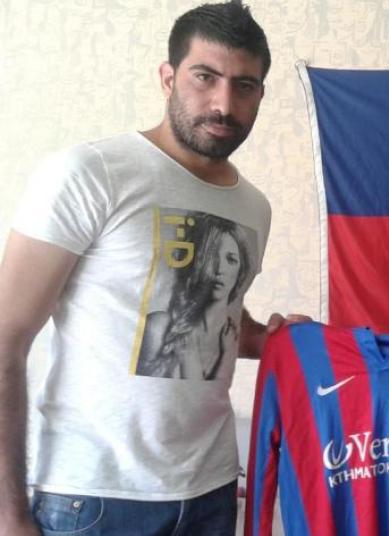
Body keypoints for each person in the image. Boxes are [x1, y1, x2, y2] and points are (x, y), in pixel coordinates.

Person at [0, 3, 304, 535]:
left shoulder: (253, 207)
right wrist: (9, 515)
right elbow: (6, 338)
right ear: (168, 77)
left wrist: (271, 338)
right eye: (204, 77)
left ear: (260, 94)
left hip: (211, 492)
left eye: (244, 86)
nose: (223, 104)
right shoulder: (92, 173)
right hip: (93, 498)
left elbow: (214, 317)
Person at [137, 212, 253, 380]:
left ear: (240, 271)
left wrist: (288, 330)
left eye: (231, 259)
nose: (219, 269)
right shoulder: (158, 328)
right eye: (211, 256)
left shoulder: (233, 337)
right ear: (196, 262)